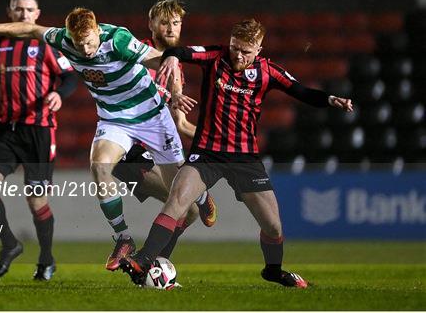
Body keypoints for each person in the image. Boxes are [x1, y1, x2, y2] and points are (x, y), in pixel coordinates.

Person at [119, 18, 353, 289]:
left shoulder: (268, 72)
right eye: (235, 48)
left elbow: (300, 91)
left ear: (259, 50)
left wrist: (328, 99)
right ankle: (144, 259)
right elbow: (181, 51)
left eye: (245, 51)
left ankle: (273, 271)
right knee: (178, 200)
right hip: (207, 154)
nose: (238, 55)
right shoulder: (215, 57)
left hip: (245, 159)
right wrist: (171, 57)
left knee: (274, 227)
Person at [0, 7, 188, 271]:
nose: (86, 50)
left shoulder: (118, 40)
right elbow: (30, 29)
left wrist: (176, 93)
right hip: (114, 119)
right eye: (80, 44)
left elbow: (168, 62)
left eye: (89, 42)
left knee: (178, 189)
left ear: (97, 30)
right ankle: (123, 238)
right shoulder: (63, 39)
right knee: (99, 167)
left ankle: (199, 199)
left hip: (151, 116)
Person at [0, 0, 77, 281]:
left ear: (37, 15)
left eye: (30, 10)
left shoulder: (46, 44)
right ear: (10, 12)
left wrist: (58, 94)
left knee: (37, 202)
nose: (24, 14)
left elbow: (70, 76)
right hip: (7, 129)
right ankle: (10, 244)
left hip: (39, 131)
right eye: (19, 9)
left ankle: (46, 259)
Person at [108, 0, 217, 271]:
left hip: (156, 148)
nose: (170, 28)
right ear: (151, 24)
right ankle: (201, 196)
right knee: (188, 200)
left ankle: (149, 263)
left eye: (176, 23)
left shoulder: (175, 64)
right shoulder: (138, 51)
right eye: (164, 22)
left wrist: (215, 140)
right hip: (129, 146)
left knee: (187, 211)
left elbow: (180, 123)